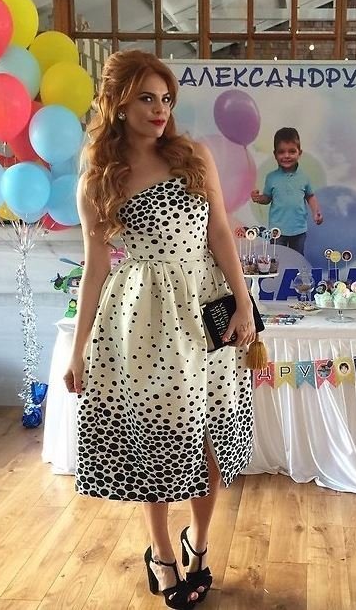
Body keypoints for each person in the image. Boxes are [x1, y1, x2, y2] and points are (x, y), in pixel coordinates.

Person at [63, 50, 257, 610]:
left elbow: (220, 232)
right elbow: (95, 270)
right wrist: (78, 350)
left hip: (206, 308)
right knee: (157, 443)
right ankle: (162, 554)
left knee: (210, 437)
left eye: (166, 99)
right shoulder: (100, 180)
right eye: (146, 98)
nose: (159, 109)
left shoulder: (192, 155)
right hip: (144, 320)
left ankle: (199, 544)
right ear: (118, 104)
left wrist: (243, 304)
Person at [250, 127, 323, 255]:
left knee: (297, 259)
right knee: (277, 258)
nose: (287, 156)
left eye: (292, 151)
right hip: (277, 230)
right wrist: (259, 198)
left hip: (299, 229)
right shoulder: (271, 178)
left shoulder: (304, 177)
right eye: (281, 152)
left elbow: (310, 196)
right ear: (275, 155)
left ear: (299, 153)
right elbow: (267, 198)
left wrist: (316, 212)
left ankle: (296, 270)